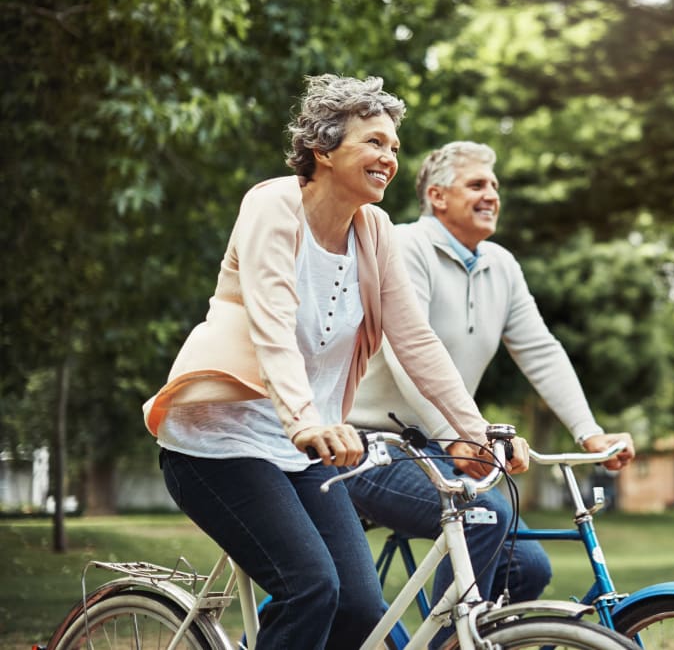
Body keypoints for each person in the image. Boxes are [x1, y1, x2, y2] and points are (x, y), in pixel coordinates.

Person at [141, 79, 528, 650]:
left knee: (361, 608)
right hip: (220, 441)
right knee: (310, 588)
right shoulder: (271, 206)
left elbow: (416, 341)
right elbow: (271, 321)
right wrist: (304, 419)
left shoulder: (375, 232)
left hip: (307, 450)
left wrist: (476, 432)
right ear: (323, 150)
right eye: (374, 142)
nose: (389, 158)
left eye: (394, 147)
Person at [345, 141, 636, 645]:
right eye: (477, 185)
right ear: (437, 196)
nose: (491, 195)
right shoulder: (405, 246)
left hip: (440, 447)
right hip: (367, 445)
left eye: (494, 186)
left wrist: (589, 432)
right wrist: (455, 434)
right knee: (486, 515)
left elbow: (541, 351)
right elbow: (406, 349)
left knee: (526, 566)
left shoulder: (500, 265)